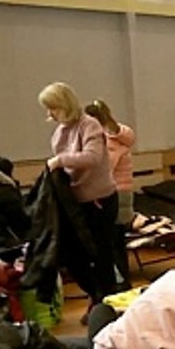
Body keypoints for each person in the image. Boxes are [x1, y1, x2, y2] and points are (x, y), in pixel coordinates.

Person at [41, 81, 120, 310]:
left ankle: (105, 302)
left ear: (64, 105)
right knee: (71, 253)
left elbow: (92, 157)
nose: (50, 114)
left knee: (102, 254)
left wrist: (60, 161)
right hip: (75, 202)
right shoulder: (60, 131)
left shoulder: (90, 125)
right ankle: (96, 295)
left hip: (100, 201)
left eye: (53, 108)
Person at [85, 99, 136, 290]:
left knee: (112, 244)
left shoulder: (108, 142)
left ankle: (121, 283)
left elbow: (104, 168)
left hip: (114, 194)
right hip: (123, 193)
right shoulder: (119, 136)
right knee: (116, 242)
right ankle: (122, 281)